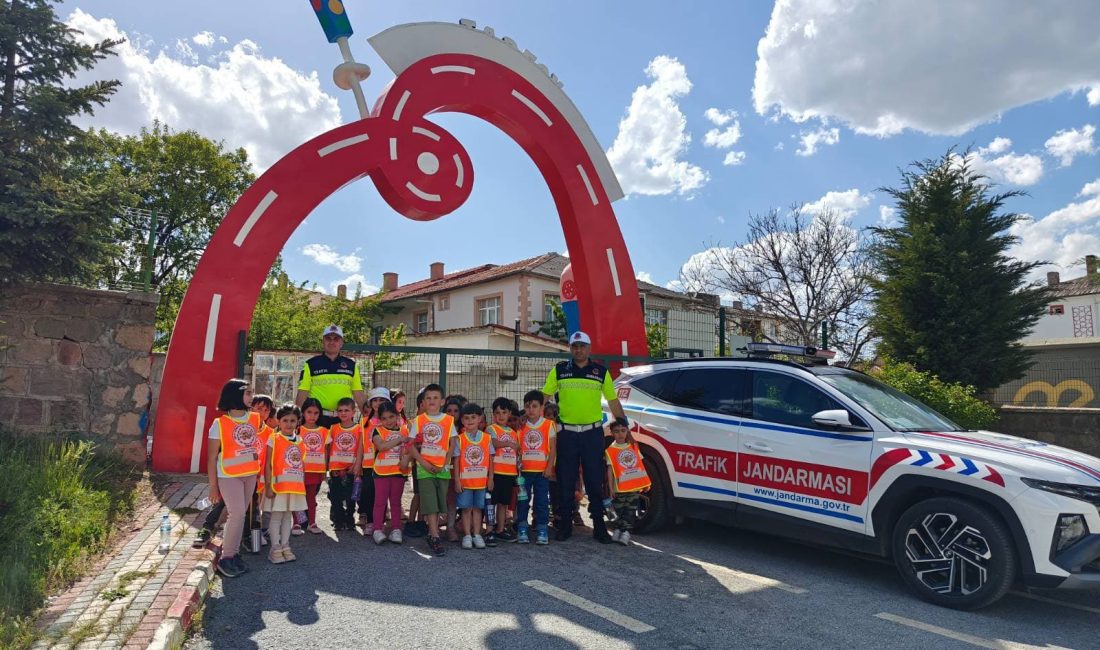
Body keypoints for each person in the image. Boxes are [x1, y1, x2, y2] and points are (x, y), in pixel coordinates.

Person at [542, 331, 626, 543]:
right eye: (574, 346)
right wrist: (527, 417)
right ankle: (565, 525)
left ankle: (598, 526)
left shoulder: (600, 371)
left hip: (592, 434)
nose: (578, 350)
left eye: (582, 346)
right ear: (570, 348)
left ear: (589, 348)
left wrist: (623, 423)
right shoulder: (560, 370)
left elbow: (613, 401)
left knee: (594, 480)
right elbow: (543, 397)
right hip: (567, 434)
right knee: (566, 480)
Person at [206, 378, 262, 578]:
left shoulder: (255, 419)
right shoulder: (219, 424)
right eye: (247, 393)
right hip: (229, 476)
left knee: (240, 514)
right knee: (236, 513)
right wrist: (213, 486)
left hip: (250, 474)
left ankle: (234, 553)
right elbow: (212, 457)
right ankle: (225, 558)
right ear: (235, 395)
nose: (251, 396)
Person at [406, 383, 457, 556]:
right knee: (430, 503)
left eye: (435, 398)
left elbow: (453, 443)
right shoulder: (419, 421)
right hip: (424, 469)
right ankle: (434, 536)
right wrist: (422, 462)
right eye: (428, 398)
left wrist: (445, 462)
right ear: (423, 402)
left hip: (442, 469)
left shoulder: (448, 420)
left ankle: (431, 532)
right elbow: (410, 445)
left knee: (439, 501)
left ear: (442, 401)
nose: (432, 401)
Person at [295, 325, 365, 428]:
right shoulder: (311, 364)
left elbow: (358, 394)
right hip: (318, 419)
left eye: (336, 339)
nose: (332, 342)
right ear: (323, 341)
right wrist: (297, 417)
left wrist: (369, 418)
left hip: (344, 419)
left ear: (341, 343)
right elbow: (302, 393)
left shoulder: (351, 365)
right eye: (328, 338)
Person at [264, 403, 307, 563]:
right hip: (277, 486)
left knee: (287, 517)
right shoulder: (273, 439)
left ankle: (285, 546)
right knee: (276, 517)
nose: (289, 424)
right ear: (279, 421)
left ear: (298, 422)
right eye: (285, 420)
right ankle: (275, 548)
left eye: (292, 420)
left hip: (294, 487)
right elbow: (268, 464)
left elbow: (301, 465)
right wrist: (268, 486)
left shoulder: (301, 441)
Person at [515, 390, 555, 545]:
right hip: (524, 473)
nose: (531, 410)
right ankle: (522, 527)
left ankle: (542, 528)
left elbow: (553, 449)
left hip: (541, 473)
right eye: (527, 406)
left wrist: (549, 467)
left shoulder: (548, 425)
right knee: (523, 501)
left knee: (542, 501)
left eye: (534, 406)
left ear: (541, 407)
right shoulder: (521, 425)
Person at [369, 400, 413, 545]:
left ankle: (396, 529)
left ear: (397, 415)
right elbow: (381, 446)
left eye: (391, 417)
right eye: (384, 418)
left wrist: (406, 458)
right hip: (381, 473)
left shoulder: (405, 430)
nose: (388, 421)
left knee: (395, 502)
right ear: (379, 419)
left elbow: (409, 450)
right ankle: (377, 529)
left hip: (398, 473)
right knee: (380, 502)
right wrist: (399, 440)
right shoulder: (377, 431)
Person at [454, 403, 494, 550]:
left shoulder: (486, 438)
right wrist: (457, 480)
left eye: (473, 417)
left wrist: (491, 478)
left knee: (478, 509)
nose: (470, 420)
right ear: (462, 421)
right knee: (466, 509)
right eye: (466, 418)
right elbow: (456, 461)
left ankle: (477, 534)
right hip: (465, 483)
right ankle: (467, 535)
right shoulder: (460, 439)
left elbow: (490, 460)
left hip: (481, 482)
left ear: (480, 419)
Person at [604, 417, 651, 545]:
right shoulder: (610, 451)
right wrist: (611, 487)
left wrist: (646, 482)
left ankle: (626, 532)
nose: (620, 433)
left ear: (627, 431)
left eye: (623, 430)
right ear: (612, 433)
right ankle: (618, 529)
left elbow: (640, 465)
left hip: (634, 486)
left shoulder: (634, 447)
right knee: (618, 510)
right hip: (620, 487)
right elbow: (610, 470)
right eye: (617, 431)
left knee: (630, 510)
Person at [487, 397, 520, 544]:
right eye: (497, 412)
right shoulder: (491, 428)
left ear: (509, 413)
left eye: (504, 412)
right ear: (493, 414)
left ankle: (500, 529)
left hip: (509, 473)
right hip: (496, 472)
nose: (501, 416)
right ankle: (489, 530)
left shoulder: (513, 432)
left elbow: (516, 451)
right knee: (491, 502)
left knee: (503, 503)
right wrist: (508, 444)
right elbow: (492, 443)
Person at [357, 387, 389, 532]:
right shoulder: (364, 421)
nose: (378, 403)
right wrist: (358, 463)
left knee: (381, 494)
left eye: (381, 400)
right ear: (370, 403)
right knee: (369, 493)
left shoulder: (393, 420)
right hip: (368, 465)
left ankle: (380, 522)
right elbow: (361, 445)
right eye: (375, 400)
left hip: (386, 464)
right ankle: (370, 521)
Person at [327, 397, 362, 531]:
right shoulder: (334, 428)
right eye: (340, 410)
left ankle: (350, 519)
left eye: (346, 410)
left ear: (353, 412)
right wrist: (328, 467)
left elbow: (360, 448)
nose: (343, 413)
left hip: (351, 469)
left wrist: (356, 466)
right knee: (335, 497)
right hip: (336, 469)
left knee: (350, 497)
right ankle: (338, 520)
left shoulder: (358, 429)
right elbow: (329, 447)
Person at [299, 398, 329, 534]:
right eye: (309, 412)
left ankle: (312, 522)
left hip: (315, 471)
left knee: (311, 498)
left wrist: (325, 470)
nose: (312, 416)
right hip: (298, 471)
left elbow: (326, 452)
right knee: (296, 497)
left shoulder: (324, 431)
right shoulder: (297, 430)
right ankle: (296, 523)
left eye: (316, 413)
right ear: (303, 413)